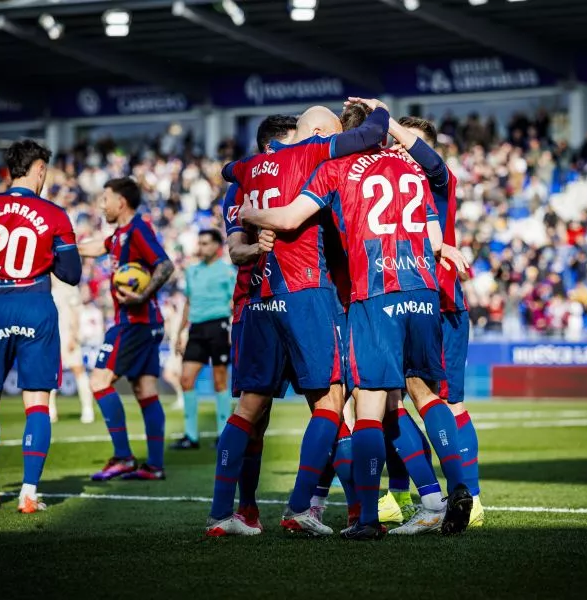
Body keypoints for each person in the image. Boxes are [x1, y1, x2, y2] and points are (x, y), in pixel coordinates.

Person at [240, 101, 473, 540]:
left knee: (367, 405)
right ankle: (453, 489)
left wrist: (248, 215)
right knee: (424, 395)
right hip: (423, 289)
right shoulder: (410, 169)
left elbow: (289, 219)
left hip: (371, 293)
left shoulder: (335, 170)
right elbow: (435, 231)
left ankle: (365, 517)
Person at [204, 102, 390, 537]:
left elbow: (228, 175)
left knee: (251, 409)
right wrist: (380, 112)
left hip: (258, 299)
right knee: (330, 401)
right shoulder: (310, 155)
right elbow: (367, 137)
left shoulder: (246, 172)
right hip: (307, 290)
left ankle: (223, 513)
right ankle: (304, 507)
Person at [0, 139, 81, 513]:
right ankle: (28, 493)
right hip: (36, 305)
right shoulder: (54, 214)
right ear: (39, 168)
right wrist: (45, 258)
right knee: (37, 401)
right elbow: (71, 274)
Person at [382, 112, 485, 531]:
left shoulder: (439, 180)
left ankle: (470, 499)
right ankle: (400, 494)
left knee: (447, 403)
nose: (401, 151)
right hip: (400, 298)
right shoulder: (389, 183)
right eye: (396, 145)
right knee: (390, 399)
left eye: (409, 144)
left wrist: (382, 118)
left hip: (441, 303)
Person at [219, 114, 298, 530]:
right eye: (292, 141)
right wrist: (257, 246)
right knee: (255, 413)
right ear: (272, 147)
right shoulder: (241, 185)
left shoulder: (299, 172)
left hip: (303, 299)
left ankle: (319, 503)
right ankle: (245, 506)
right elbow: (235, 251)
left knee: (335, 402)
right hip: (255, 304)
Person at [78, 177, 176, 481]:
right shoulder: (119, 235)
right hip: (148, 323)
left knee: (99, 381)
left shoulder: (137, 229)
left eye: (105, 199)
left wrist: (142, 295)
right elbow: (97, 247)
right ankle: (155, 466)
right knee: (145, 390)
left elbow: (165, 265)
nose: (101, 204)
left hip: (133, 322)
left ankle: (123, 457)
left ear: (121, 202)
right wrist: (64, 245)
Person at [169, 229, 235, 450]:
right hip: (196, 329)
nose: (201, 247)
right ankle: (190, 436)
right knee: (186, 379)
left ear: (217, 246)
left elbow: (235, 303)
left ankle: (223, 434)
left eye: (206, 243)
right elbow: (187, 302)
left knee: (220, 381)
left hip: (219, 326)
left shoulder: (227, 271)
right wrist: (180, 332)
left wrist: (233, 330)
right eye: (200, 243)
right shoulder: (192, 271)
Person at [49, 274, 95, 424]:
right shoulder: (45, 287)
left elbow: (76, 314)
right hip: (51, 337)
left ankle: (88, 409)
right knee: (51, 374)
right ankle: (50, 411)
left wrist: (74, 336)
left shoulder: (68, 287)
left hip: (67, 335)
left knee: (78, 370)